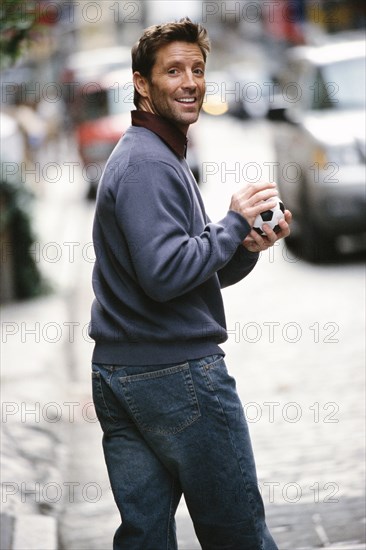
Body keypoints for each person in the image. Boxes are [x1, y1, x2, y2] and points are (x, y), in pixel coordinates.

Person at [89, 17, 291, 550]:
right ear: (142, 83)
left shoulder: (153, 154)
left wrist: (243, 247)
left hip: (123, 373)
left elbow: (182, 269)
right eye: (173, 70)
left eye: (197, 69)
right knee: (237, 530)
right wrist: (229, 221)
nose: (189, 82)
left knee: (145, 537)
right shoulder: (146, 164)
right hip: (176, 376)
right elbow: (163, 275)